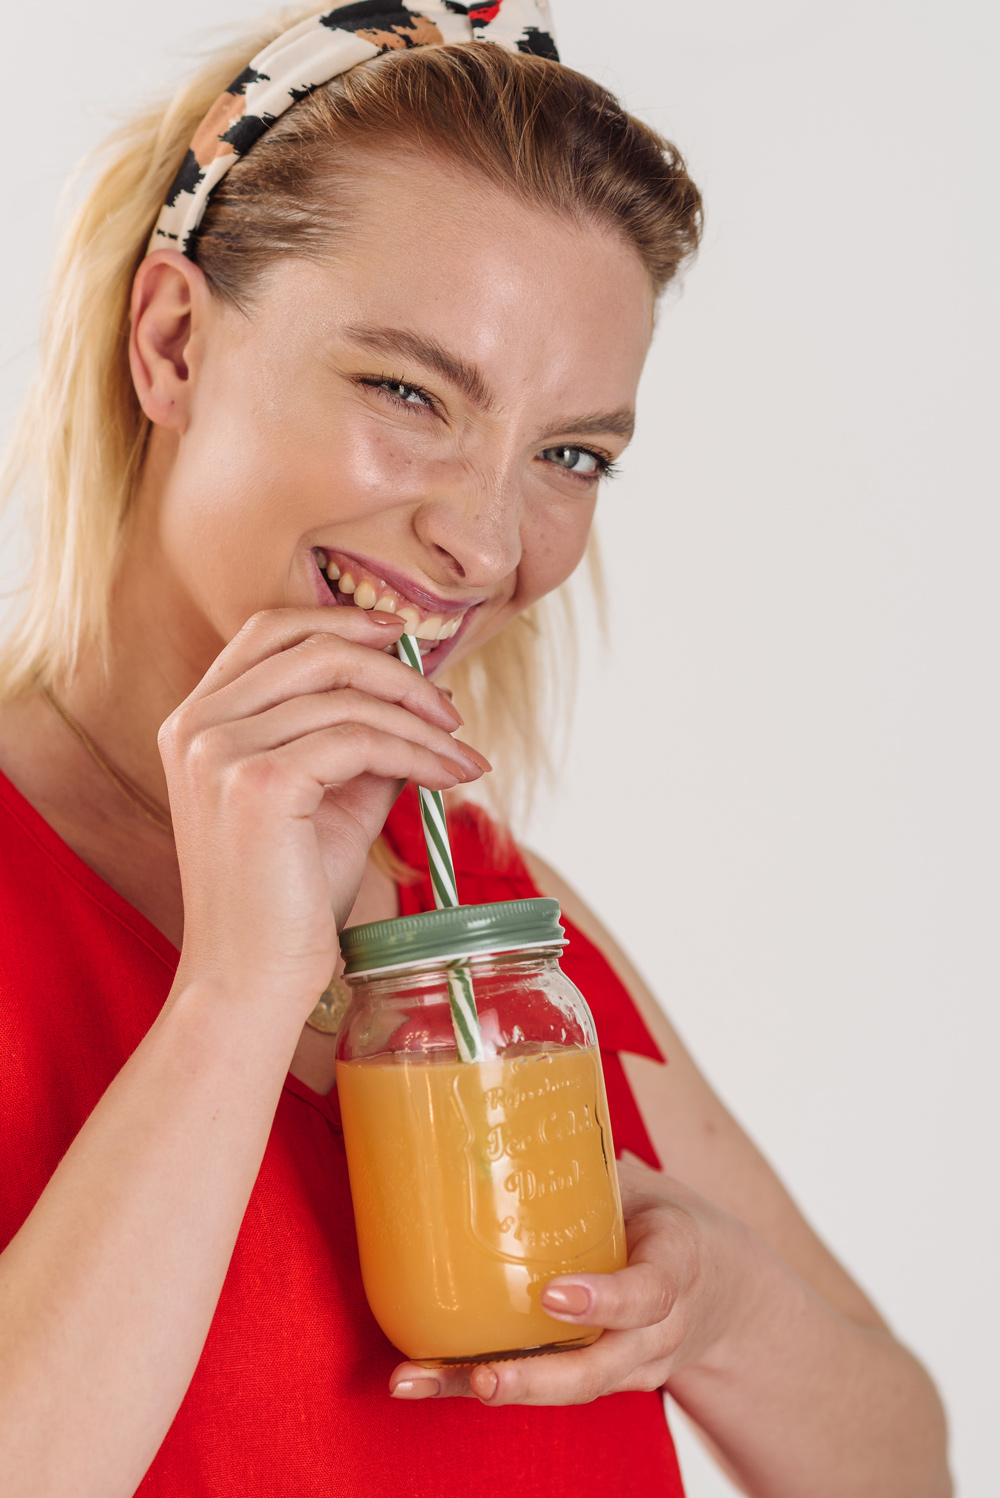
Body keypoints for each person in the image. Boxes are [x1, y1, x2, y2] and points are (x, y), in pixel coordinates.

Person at [0, 4, 951, 1495]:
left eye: (571, 454)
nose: (491, 540)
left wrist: (716, 1302)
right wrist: (244, 987)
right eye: (407, 391)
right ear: (174, 341)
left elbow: (899, 1461)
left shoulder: (512, 933)